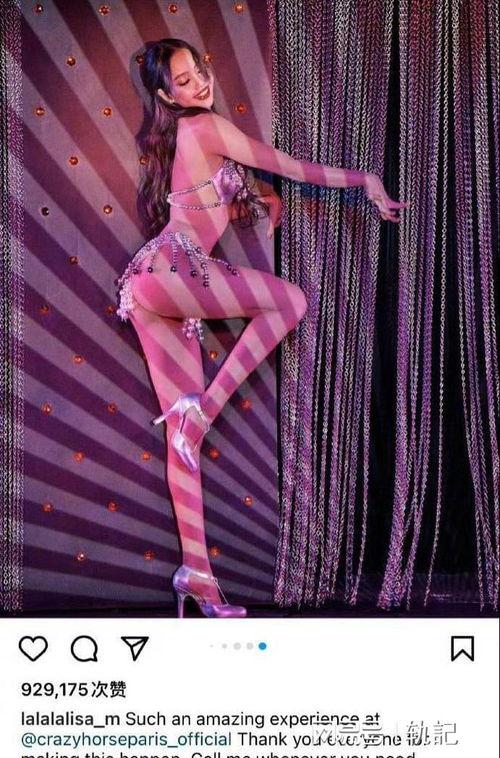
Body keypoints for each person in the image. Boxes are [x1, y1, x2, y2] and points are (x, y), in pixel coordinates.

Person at [116, 38, 408, 619]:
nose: (199, 83)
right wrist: (364, 179)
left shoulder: (194, 137)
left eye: (199, 70)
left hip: (151, 285)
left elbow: (237, 189)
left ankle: (197, 577)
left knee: (181, 440)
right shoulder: (204, 126)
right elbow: (286, 165)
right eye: (183, 80)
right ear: (165, 96)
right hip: (174, 270)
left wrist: (263, 201)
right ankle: (205, 410)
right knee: (290, 301)